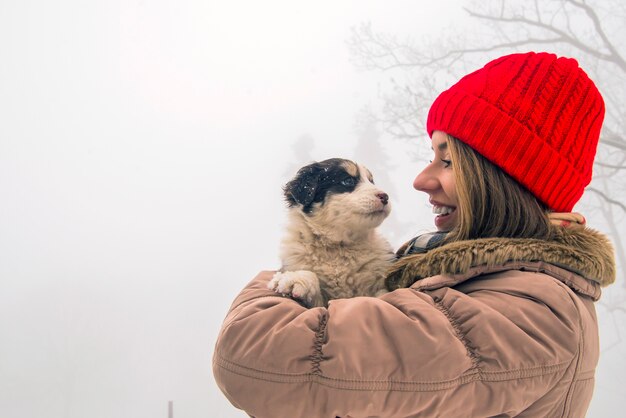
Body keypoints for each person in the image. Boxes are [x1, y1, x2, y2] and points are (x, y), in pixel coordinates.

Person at [212, 51, 616, 417]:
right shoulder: (457, 273)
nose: (421, 180)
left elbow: (252, 356)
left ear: (501, 178)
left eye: (447, 160)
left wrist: (272, 283)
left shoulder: (533, 309)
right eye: (429, 157)